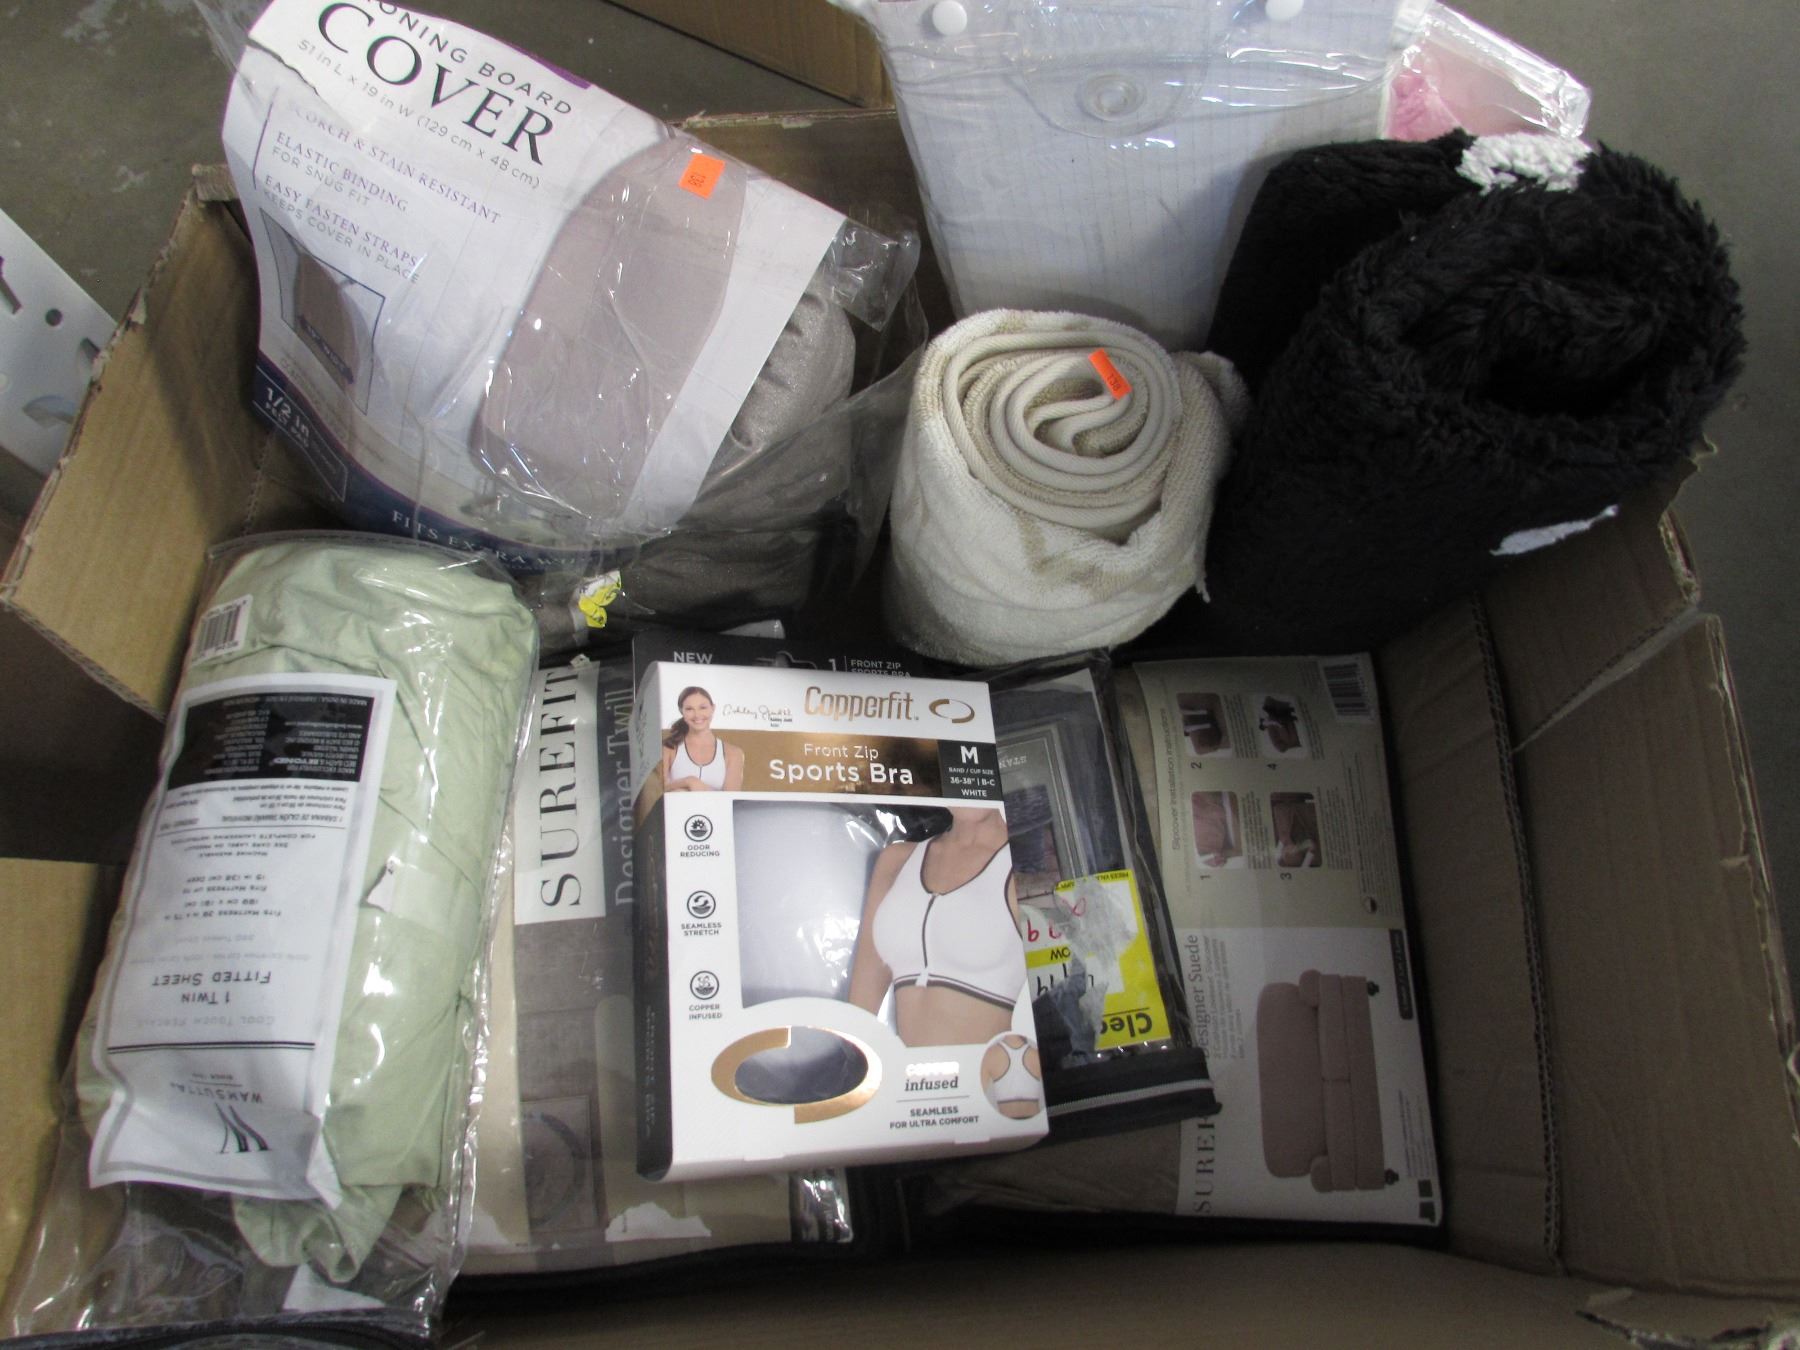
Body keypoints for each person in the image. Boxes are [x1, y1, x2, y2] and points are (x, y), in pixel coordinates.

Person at [847, 806, 1025, 1048]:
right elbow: (860, 1008)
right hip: (901, 1069)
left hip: (989, 1068)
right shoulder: (896, 861)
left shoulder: (1020, 868)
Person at [660, 686, 744, 792]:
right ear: (682, 711)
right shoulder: (669, 748)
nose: (697, 715)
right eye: (689, 709)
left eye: (703, 708)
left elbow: (730, 798)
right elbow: (658, 789)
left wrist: (700, 789)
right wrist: (689, 781)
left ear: (713, 708)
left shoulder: (733, 753)